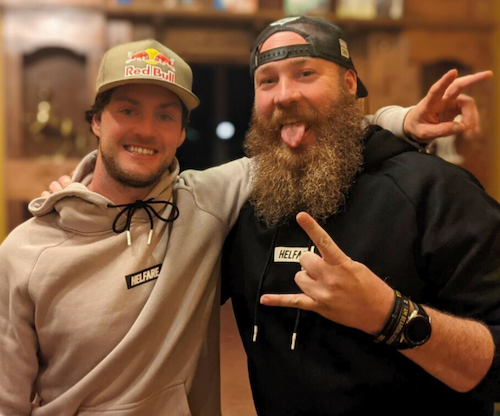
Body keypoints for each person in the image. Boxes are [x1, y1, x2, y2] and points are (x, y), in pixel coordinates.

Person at [0, 35, 489, 416]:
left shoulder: (205, 201)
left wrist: (400, 119)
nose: (146, 129)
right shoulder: (25, 253)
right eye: (127, 110)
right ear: (95, 121)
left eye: (165, 115)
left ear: (181, 132)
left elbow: (309, 131)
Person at [222, 15, 500, 416]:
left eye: (305, 73)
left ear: (349, 84)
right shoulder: (247, 205)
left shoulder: (435, 190)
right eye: (267, 81)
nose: (284, 95)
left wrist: (391, 316)